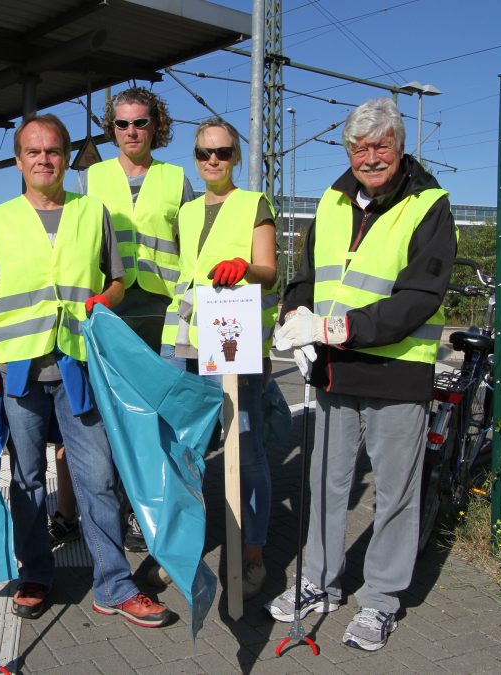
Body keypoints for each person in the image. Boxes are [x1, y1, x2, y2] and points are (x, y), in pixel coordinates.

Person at [267, 97, 457, 652]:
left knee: (395, 492)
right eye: (359, 147)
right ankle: (319, 581)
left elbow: (421, 296)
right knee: (325, 481)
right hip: (332, 371)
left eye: (381, 147)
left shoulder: (429, 205)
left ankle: (380, 600)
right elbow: (308, 276)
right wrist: (293, 318)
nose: (370, 157)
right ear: (347, 149)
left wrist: (341, 330)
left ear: (399, 148)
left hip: (396, 370)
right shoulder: (332, 199)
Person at [0, 113, 172, 627]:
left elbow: (119, 281)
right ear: (19, 161)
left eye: (53, 151)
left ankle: (114, 584)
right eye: (33, 152)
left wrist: (104, 298)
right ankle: (36, 572)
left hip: (79, 365)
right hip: (18, 369)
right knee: (30, 479)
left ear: (65, 158)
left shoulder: (92, 212)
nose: (43, 159)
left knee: (98, 477)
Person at [159, 117, 280, 599]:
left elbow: (268, 271)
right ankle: (182, 549)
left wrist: (245, 268)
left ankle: (252, 555)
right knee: (182, 451)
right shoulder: (187, 212)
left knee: (244, 451)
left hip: (233, 337)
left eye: (223, 152)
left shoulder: (254, 204)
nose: (214, 160)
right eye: (205, 153)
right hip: (183, 338)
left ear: (236, 156)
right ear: (195, 158)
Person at [80, 86, 197, 553]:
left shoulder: (176, 178)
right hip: (110, 309)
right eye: (122, 124)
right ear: (112, 129)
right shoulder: (92, 178)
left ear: (156, 126)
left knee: (158, 416)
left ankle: (152, 511)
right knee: (111, 417)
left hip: (162, 310)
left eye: (141, 122)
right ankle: (111, 509)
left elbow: (191, 243)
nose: (131, 131)